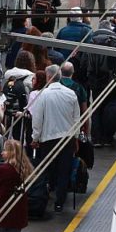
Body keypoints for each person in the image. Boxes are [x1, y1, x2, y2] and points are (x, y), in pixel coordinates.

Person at [31, 65, 80, 213]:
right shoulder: (71, 94)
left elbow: (37, 119)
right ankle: (60, 203)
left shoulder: (43, 95)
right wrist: (76, 138)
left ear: (48, 77)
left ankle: (45, 198)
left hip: (48, 139)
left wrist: (35, 138)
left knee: (47, 170)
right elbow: (77, 118)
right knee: (64, 171)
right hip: (67, 139)